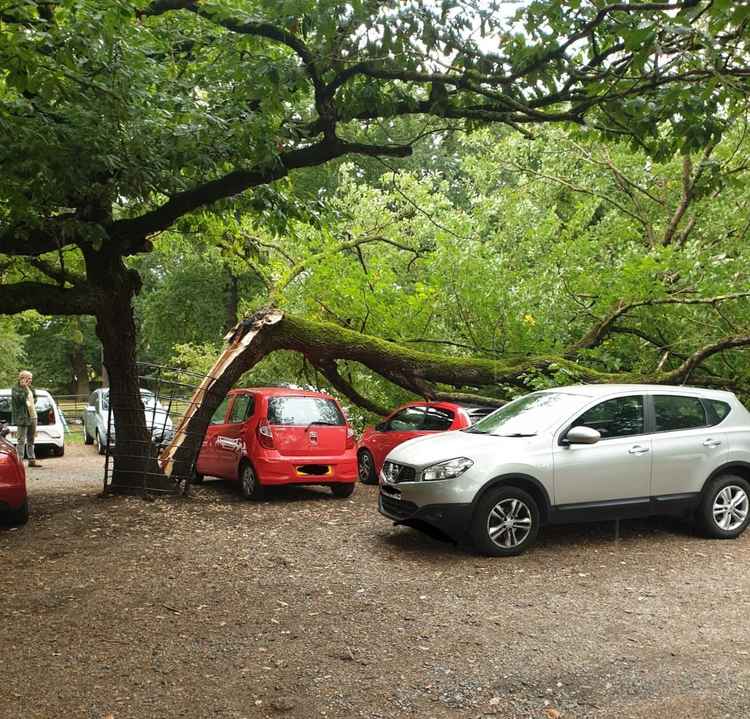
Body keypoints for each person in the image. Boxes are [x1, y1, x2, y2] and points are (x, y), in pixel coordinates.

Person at [11, 370, 42, 468]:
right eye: (28, 378)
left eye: (31, 378)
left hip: (33, 416)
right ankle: (19, 462)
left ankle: (32, 460)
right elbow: (20, 399)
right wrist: (24, 387)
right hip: (23, 418)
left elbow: (35, 398)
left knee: (31, 440)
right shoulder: (16, 389)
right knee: (21, 440)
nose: (30, 380)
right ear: (22, 378)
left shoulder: (31, 388)